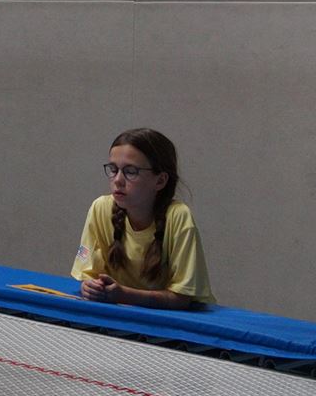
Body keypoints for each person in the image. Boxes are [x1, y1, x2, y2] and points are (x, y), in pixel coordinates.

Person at [71, 128, 214, 310]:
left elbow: (182, 298)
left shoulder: (178, 216)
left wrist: (124, 295)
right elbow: (88, 274)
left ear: (160, 181)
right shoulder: (100, 208)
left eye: (131, 171)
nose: (118, 180)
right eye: (113, 170)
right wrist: (90, 286)